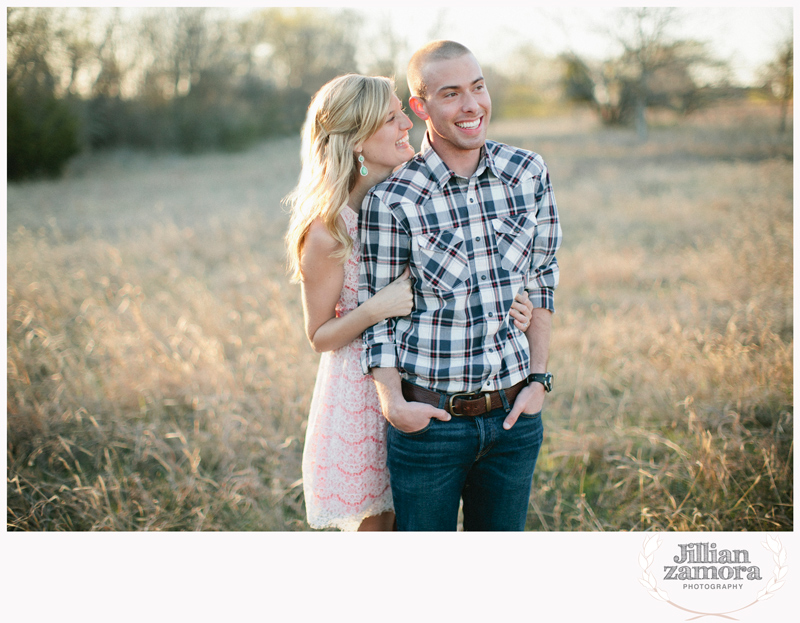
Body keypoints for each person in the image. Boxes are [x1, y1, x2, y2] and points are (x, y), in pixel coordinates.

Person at [284, 73, 535, 531]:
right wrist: (375, 308)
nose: (407, 122)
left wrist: (514, 301)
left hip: (426, 376)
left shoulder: (412, 193)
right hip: (362, 394)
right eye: (391, 118)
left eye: (403, 111)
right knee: (382, 530)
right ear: (356, 140)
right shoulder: (327, 231)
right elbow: (319, 337)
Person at [359, 41, 563, 531]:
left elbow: (544, 279)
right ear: (421, 106)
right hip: (430, 425)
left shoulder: (527, 172)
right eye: (451, 94)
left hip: (515, 418)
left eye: (478, 87)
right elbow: (377, 312)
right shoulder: (393, 198)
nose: (472, 105)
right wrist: (393, 403)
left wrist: (538, 380)